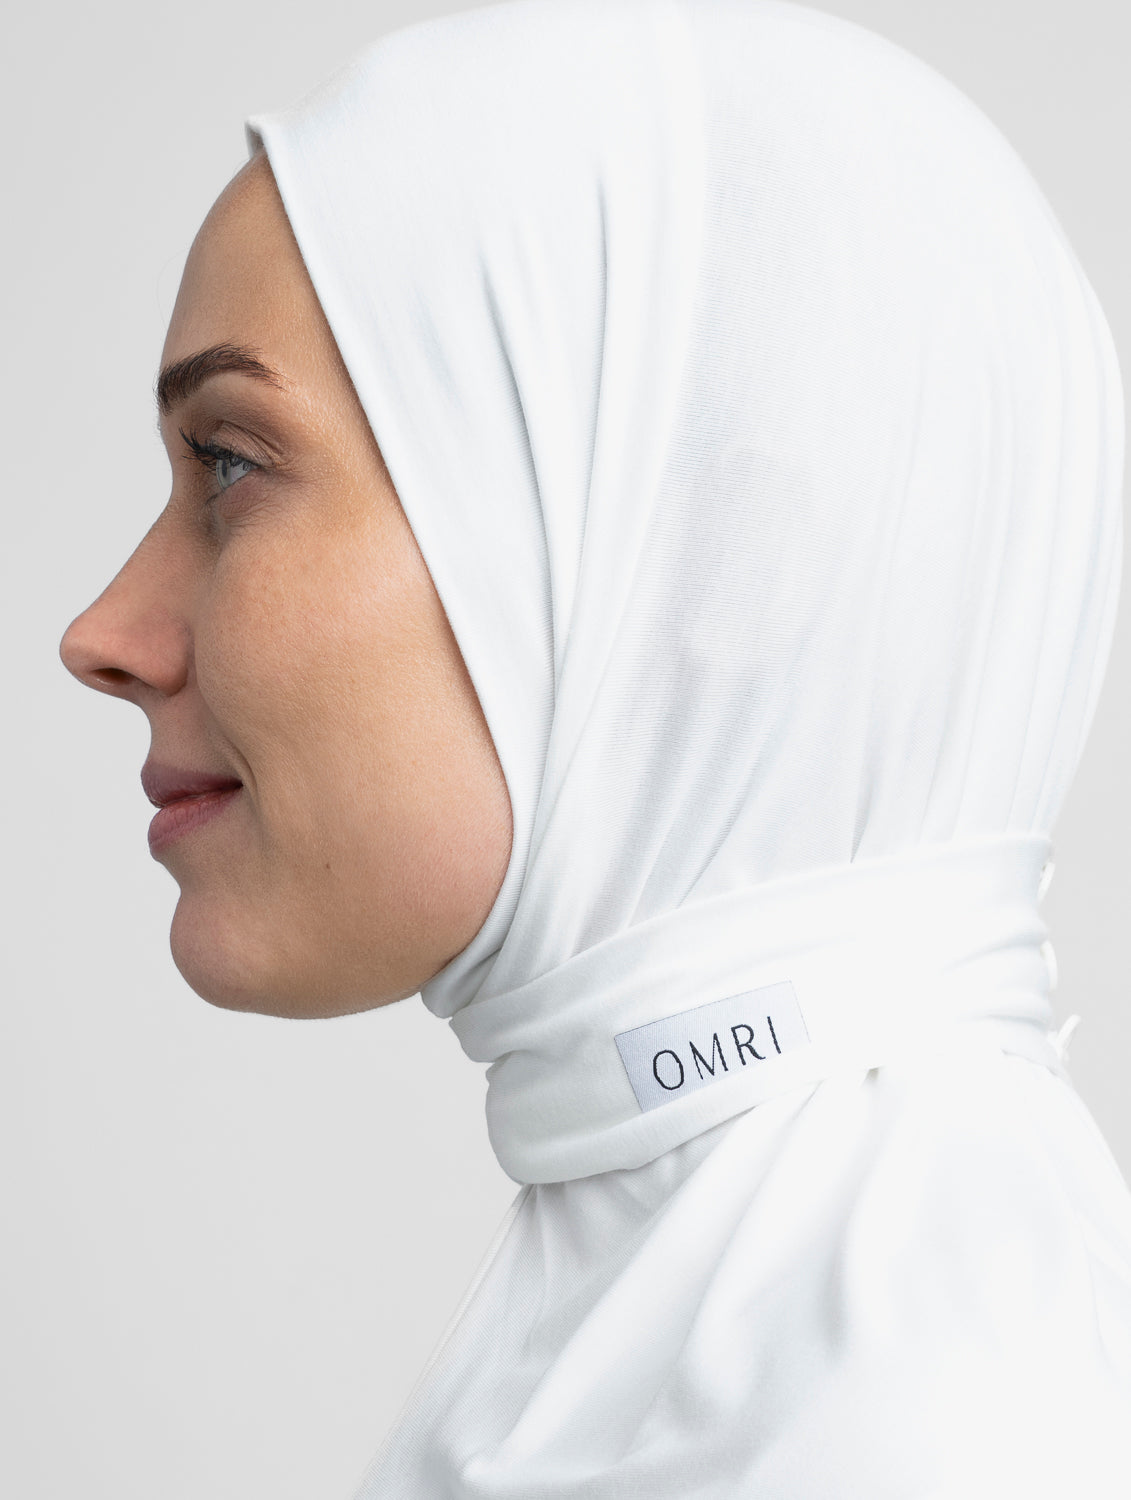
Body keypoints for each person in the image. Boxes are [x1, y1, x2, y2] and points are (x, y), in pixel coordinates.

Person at [59, 0, 1131, 1494]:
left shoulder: (939, 1423)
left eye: (230, 462)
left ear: (679, 557)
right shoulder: (711, 1305)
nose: (103, 632)